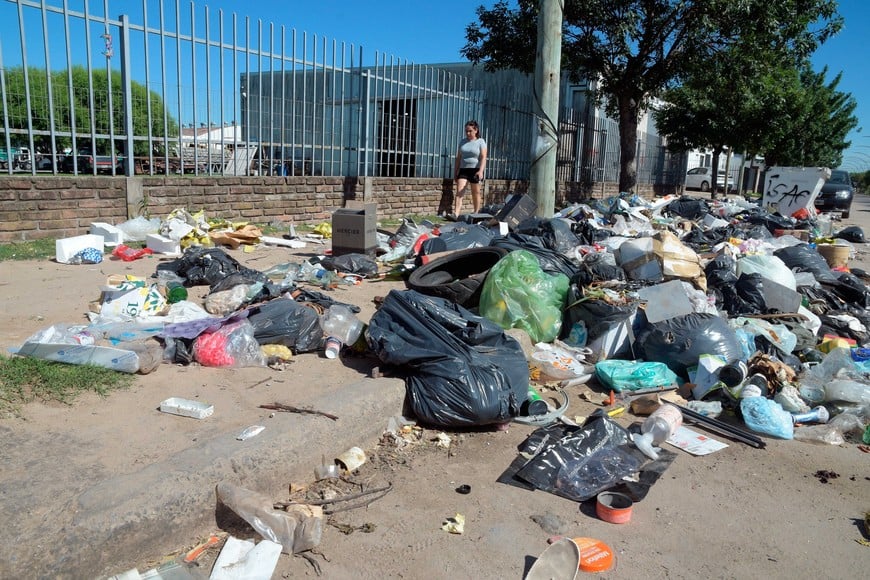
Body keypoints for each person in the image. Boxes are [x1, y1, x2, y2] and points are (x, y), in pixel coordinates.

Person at [452, 120, 487, 218]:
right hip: (463, 169)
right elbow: (458, 158)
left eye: (470, 131)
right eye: (466, 131)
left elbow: (484, 157)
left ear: (476, 130)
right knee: (459, 191)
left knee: (475, 192)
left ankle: (476, 212)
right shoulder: (462, 142)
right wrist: (455, 172)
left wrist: (480, 171)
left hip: (475, 170)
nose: (468, 133)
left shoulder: (481, 142)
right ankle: (456, 213)